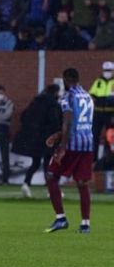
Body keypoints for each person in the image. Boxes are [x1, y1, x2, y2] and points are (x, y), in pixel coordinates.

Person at [44, 68, 94, 234]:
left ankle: (61, 218)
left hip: (72, 144)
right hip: (87, 144)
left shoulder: (68, 97)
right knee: (83, 183)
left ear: (65, 79)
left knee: (51, 176)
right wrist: (57, 135)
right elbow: (80, 122)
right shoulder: (87, 96)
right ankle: (85, 224)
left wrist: (63, 148)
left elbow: (68, 122)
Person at [13, 84, 62, 198]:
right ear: (55, 92)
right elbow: (55, 121)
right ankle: (51, 189)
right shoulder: (53, 104)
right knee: (47, 164)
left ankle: (26, 184)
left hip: (33, 138)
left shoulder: (35, 102)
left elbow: (24, 116)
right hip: (47, 139)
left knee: (35, 163)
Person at [88, 61, 114, 161]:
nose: (107, 72)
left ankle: (108, 158)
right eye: (106, 70)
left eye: (109, 70)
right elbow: (92, 94)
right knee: (95, 135)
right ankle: (93, 159)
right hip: (98, 112)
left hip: (110, 113)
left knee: (110, 136)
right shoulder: (98, 81)